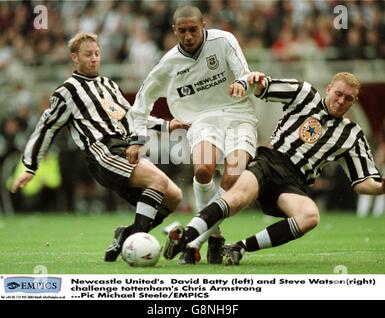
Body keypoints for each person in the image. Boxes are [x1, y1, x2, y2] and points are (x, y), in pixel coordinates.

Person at [163, 71, 385, 265]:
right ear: (328, 89)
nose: (341, 101)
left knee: (310, 216)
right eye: (338, 94)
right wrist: (254, 80)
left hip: (293, 183)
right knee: (237, 198)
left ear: (353, 102)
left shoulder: (352, 135)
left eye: (348, 99)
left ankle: (238, 247)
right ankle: (186, 239)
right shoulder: (305, 93)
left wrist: (382, 186)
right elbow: (264, 88)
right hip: (270, 161)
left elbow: (364, 183)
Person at [11, 32, 184, 262]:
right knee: (159, 182)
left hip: (125, 148)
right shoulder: (67, 91)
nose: (94, 58)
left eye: (97, 53)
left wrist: (167, 125)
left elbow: (132, 115)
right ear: (75, 57)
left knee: (174, 196)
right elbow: (46, 128)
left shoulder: (108, 84)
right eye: (88, 55)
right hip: (102, 151)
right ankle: (137, 246)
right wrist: (30, 166)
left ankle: (126, 236)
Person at [127, 5, 259, 264]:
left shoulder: (224, 41)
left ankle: (193, 240)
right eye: (183, 31)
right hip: (201, 120)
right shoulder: (168, 63)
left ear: (204, 25)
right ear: (174, 30)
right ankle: (215, 238)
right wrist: (137, 139)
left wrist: (241, 83)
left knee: (232, 177)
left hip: (238, 115)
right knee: (203, 171)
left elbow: (244, 73)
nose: (188, 36)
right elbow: (142, 101)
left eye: (194, 30)